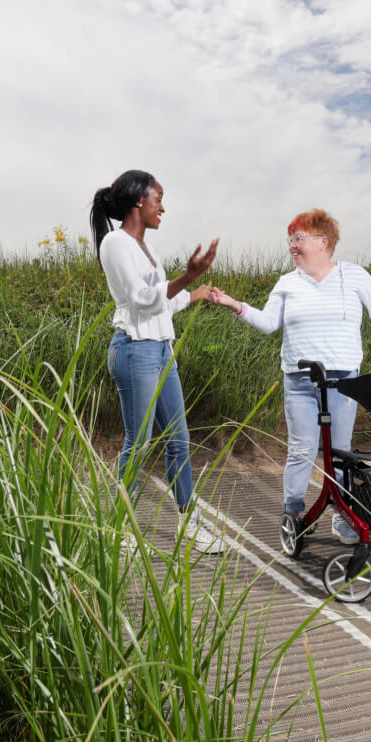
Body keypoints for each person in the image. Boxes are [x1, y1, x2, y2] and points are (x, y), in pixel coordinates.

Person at [209, 208, 371, 544]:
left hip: (343, 381)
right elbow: (268, 323)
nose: (292, 245)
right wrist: (236, 305)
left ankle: (343, 515)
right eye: (290, 240)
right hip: (301, 383)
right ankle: (293, 513)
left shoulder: (355, 276)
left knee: (339, 452)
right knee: (302, 449)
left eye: (298, 239)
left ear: (323, 241)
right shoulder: (287, 283)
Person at [90, 169, 220, 551]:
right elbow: (141, 299)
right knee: (140, 441)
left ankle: (188, 522)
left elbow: (161, 303)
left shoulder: (149, 250)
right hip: (134, 350)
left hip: (162, 348)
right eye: (157, 197)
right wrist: (187, 276)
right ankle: (118, 528)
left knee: (179, 439)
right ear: (137, 202)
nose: (162, 205)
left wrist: (195, 292)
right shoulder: (116, 243)